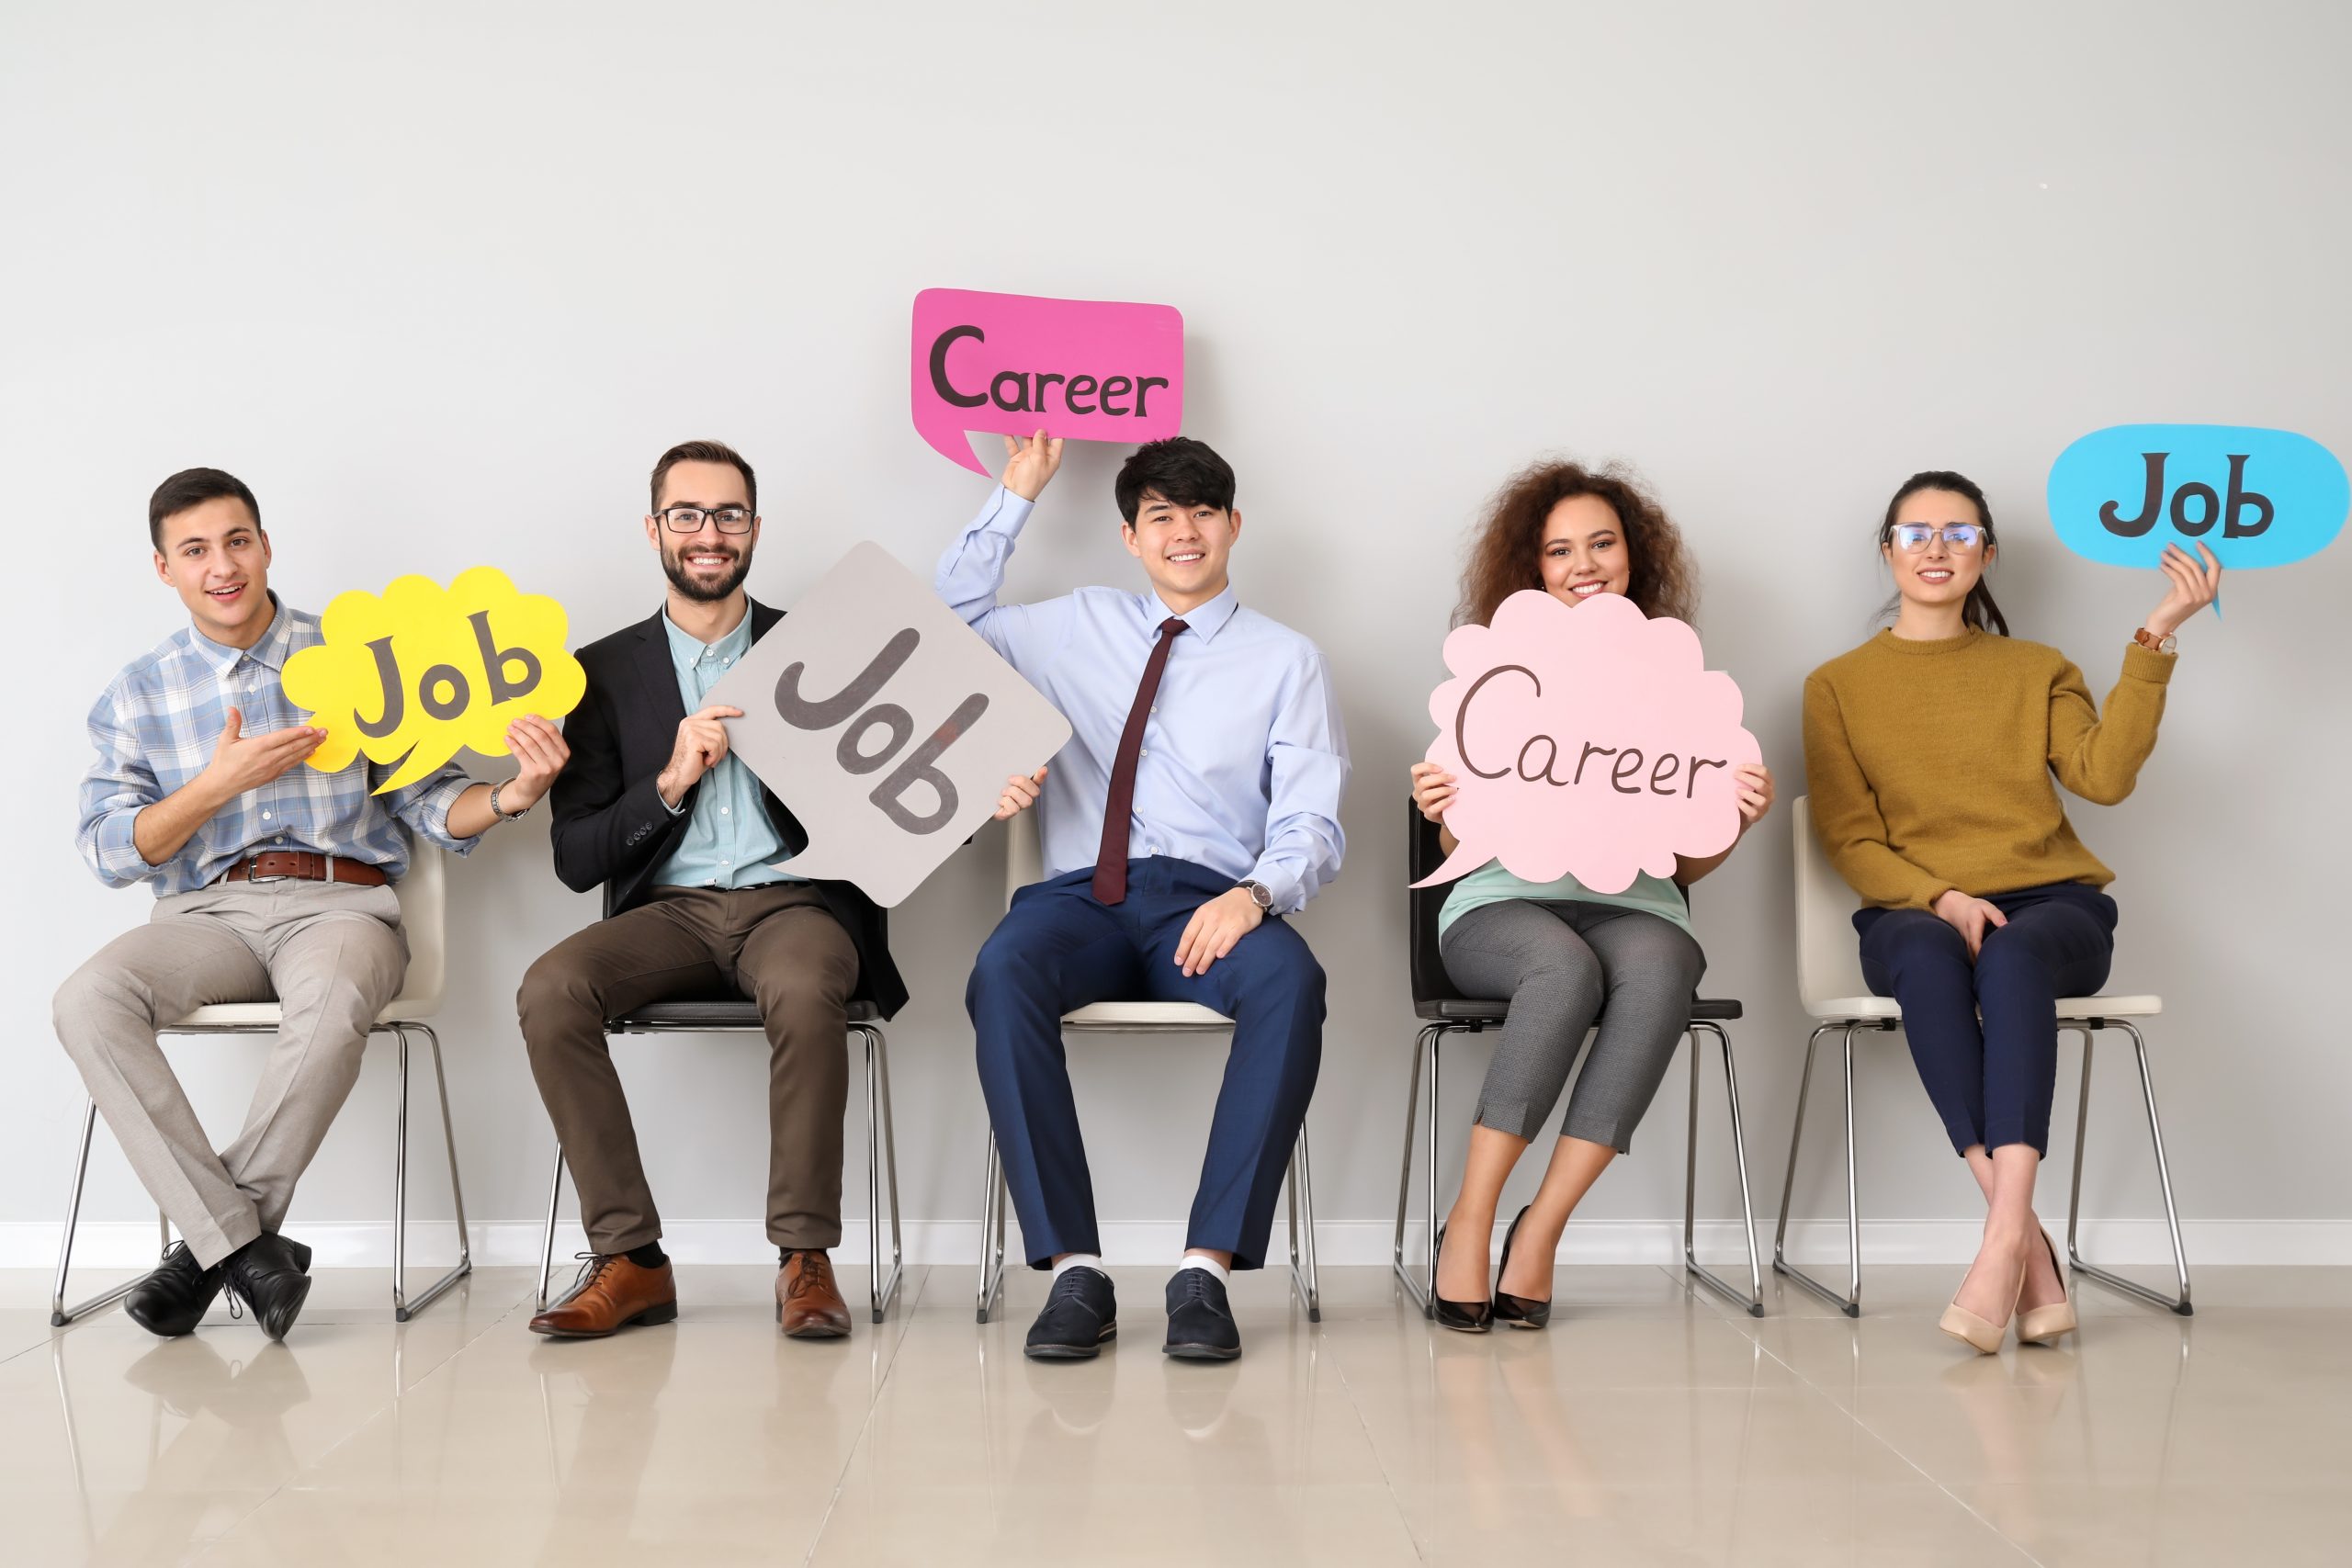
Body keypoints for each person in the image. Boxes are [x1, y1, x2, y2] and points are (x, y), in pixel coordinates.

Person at [56, 468, 568, 1341]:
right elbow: (110, 851)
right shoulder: (137, 695)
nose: (222, 565)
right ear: (163, 568)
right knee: (86, 1000)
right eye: (196, 550)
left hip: (343, 908)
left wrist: (516, 793)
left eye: (237, 541)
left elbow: (430, 800)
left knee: (330, 1000)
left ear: (265, 546)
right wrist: (213, 787)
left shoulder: (355, 656)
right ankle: (247, 1249)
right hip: (205, 917)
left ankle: (207, 1250)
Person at [939, 433, 1349, 1362]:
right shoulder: (1071, 625)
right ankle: (1075, 1270)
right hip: (1078, 900)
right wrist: (1017, 493)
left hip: (1205, 904)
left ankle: (1203, 1273)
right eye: (1161, 515)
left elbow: (1312, 822)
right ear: (1130, 536)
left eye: (1203, 512)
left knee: (1290, 980)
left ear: (1233, 525)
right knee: (1002, 967)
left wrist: (1256, 895)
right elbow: (949, 620)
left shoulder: (1287, 661)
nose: (1185, 532)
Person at [1803, 469, 2218, 1353]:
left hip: (2052, 908)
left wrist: (2157, 635)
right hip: (1914, 907)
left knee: (2015, 957)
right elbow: (1850, 838)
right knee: (1924, 953)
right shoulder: (1836, 685)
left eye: (1960, 533)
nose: (1938, 548)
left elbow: (2103, 777)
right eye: (1917, 532)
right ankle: (2023, 1245)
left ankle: (2000, 1242)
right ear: (1888, 551)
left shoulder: (2037, 669)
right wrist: (1940, 894)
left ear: (1987, 553)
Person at [519, 439, 926, 1341]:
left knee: (806, 984)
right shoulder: (596, 673)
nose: (710, 534)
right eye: (688, 516)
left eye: (729, 515)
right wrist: (669, 781)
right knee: (551, 988)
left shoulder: (819, 649)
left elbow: (909, 792)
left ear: (753, 528)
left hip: (796, 905)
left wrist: (983, 797)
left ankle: (805, 1258)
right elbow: (577, 857)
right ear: (655, 529)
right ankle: (631, 1260)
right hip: (669, 912)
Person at [1408, 459, 1773, 1331]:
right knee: (1562, 969)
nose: (1584, 564)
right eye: (1560, 549)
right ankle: (1471, 1215)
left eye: (1601, 543)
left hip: (1637, 907)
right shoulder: (1500, 677)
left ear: (1632, 557)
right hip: (1500, 904)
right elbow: (1465, 849)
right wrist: (1441, 812)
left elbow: (1680, 871)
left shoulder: (1677, 690)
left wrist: (1734, 821)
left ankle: (1543, 1226)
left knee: (1661, 967)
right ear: (1533, 570)